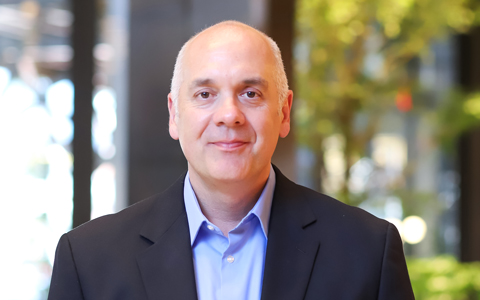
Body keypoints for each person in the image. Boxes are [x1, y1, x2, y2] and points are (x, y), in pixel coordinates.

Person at [48, 21, 415, 300]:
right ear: (174, 115)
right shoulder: (88, 260)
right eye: (205, 93)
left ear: (284, 112)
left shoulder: (368, 252)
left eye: (251, 93)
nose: (229, 115)